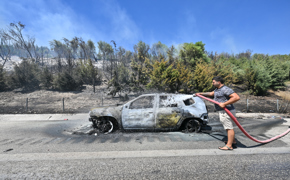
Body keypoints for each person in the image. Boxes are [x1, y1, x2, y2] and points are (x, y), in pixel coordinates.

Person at [196, 76, 240, 150]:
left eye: (213, 82)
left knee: (229, 128)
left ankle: (229, 145)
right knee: (228, 127)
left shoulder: (225, 89)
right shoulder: (218, 89)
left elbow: (236, 97)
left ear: (218, 82)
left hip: (226, 111)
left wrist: (224, 104)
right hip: (223, 111)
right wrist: (200, 93)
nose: (212, 83)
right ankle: (233, 141)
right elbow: (211, 94)